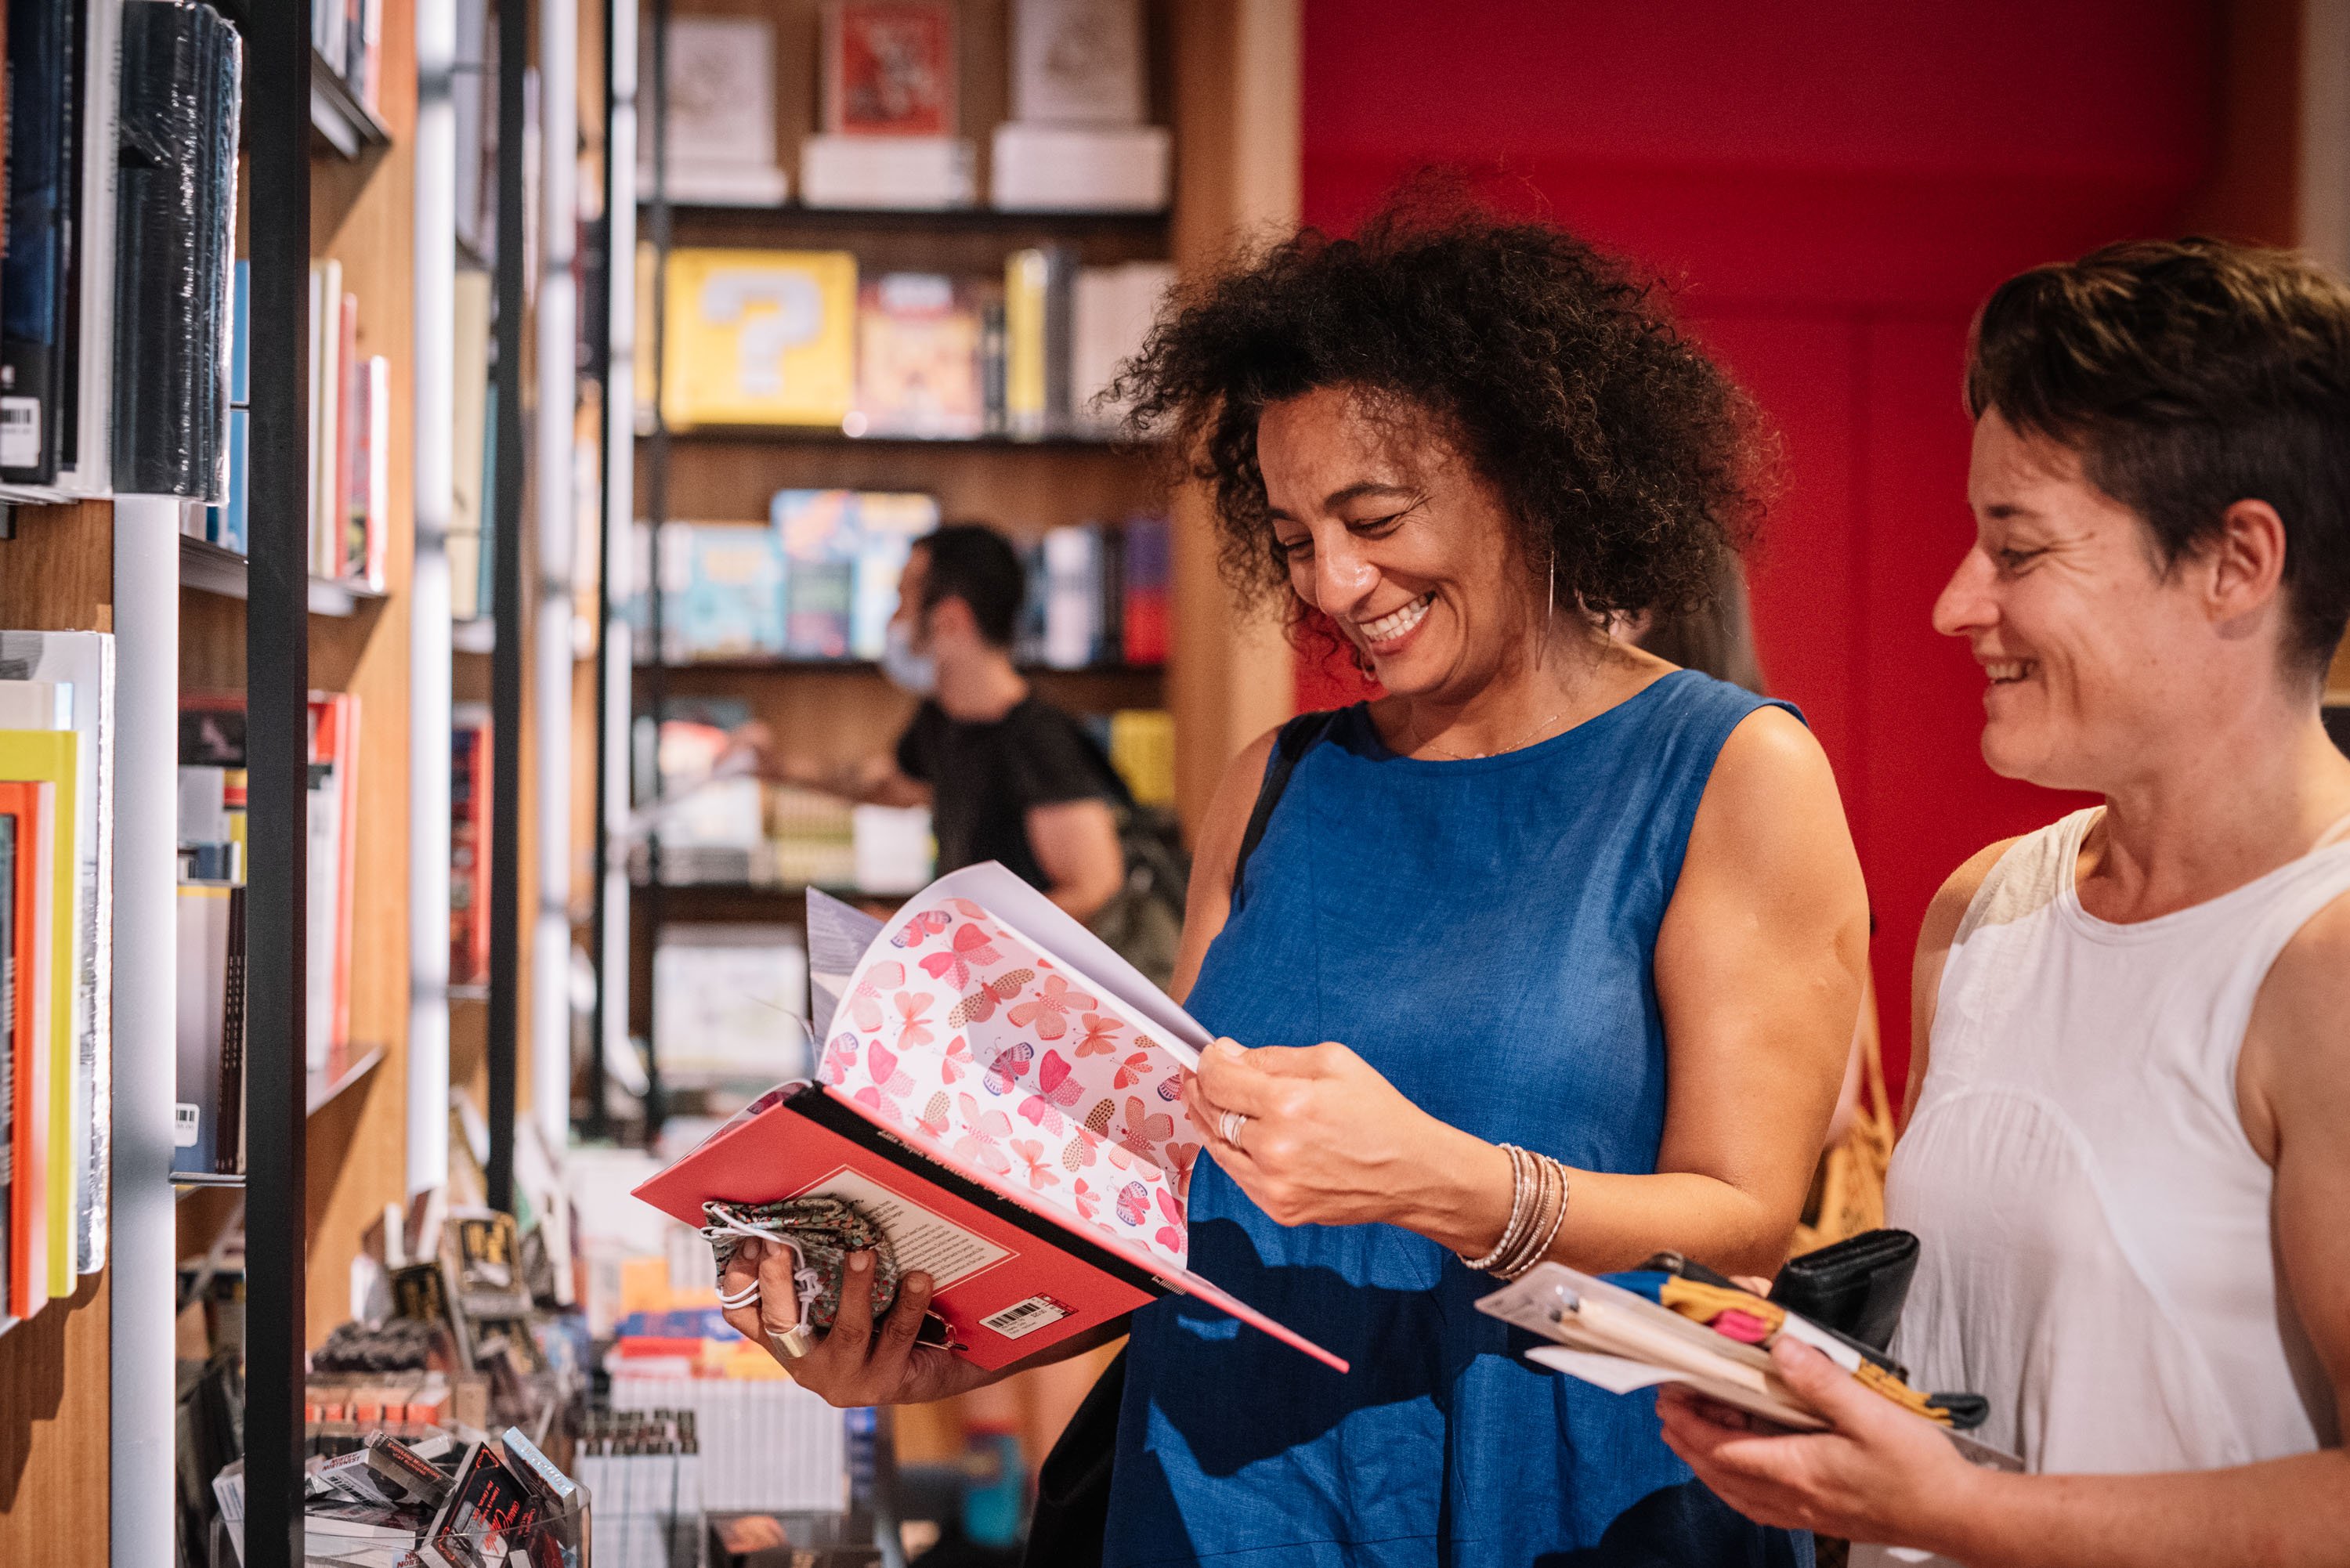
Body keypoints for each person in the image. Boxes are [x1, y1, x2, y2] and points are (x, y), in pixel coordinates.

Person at [721, 201, 1871, 1566]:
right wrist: (949, 1340)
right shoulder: (1274, 783)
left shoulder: (1728, 770)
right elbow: (1182, 1220)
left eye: (1373, 518)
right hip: (1224, 1496)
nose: (1333, 582)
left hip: (1553, 1493)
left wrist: (1454, 1185)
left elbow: (1745, 1219)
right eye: (1293, 535)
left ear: (1533, 470)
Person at [1659, 237, 2350, 1564]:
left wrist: (1967, 1513)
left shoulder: (2321, 957)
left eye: (2017, 550)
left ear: (2236, 562)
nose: (1955, 603)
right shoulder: (1987, 910)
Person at [737, 522, 1128, 922]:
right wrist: (777, 768)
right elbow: (887, 784)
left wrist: (938, 935)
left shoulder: (1039, 742)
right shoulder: (943, 721)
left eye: (903, 599)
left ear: (950, 621)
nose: (893, 621)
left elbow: (1095, 891)